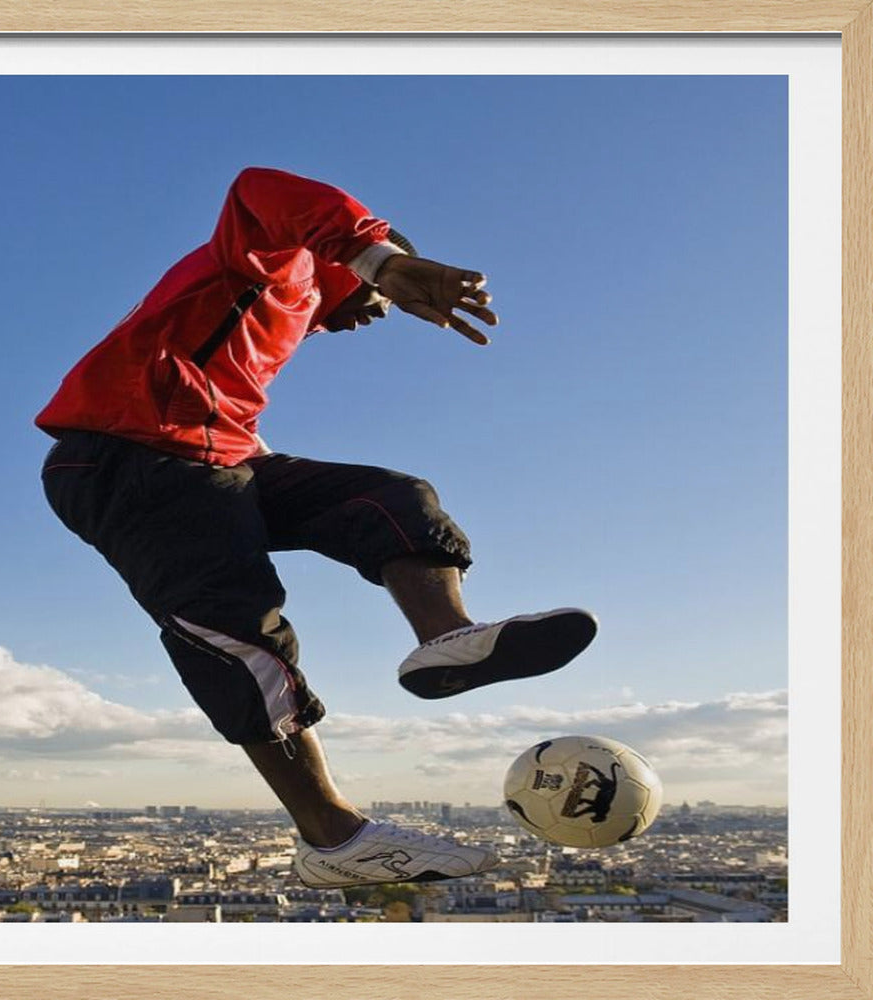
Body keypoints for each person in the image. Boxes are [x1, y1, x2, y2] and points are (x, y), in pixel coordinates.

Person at [36, 167, 598, 888]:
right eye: (383, 294)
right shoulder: (274, 258)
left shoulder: (283, 312)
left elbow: (220, 398)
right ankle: (332, 836)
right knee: (240, 632)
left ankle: (445, 638)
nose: (380, 311)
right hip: (129, 459)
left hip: (215, 459)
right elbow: (256, 187)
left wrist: (266, 459)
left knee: (389, 498)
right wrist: (379, 259)